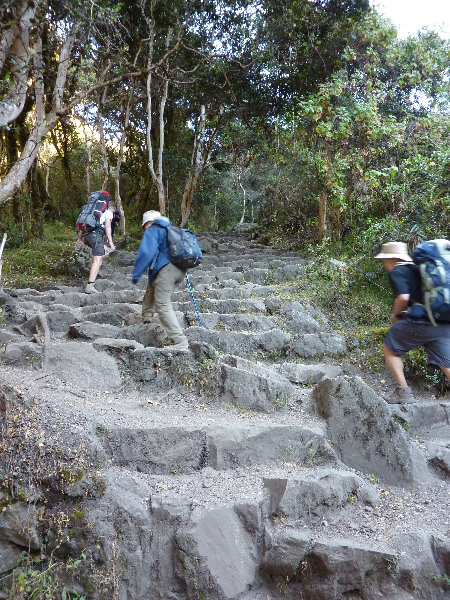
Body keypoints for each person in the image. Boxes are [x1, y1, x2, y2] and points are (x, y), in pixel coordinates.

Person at [375, 241, 450, 403]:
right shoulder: (420, 268)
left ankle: (404, 392)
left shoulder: (398, 271)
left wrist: (395, 315)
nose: (383, 264)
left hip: (422, 321)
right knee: (446, 363)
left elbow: (403, 297)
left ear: (392, 259)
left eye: (384, 260)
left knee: (390, 346)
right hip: (442, 321)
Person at [132, 210, 189, 350]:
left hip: (167, 270)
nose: (144, 228)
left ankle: (179, 340)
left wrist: (136, 273)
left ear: (149, 222)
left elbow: (146, 253)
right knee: (152, 285)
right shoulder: (172, 230)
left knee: (162, 304)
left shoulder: (154, 230)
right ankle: (147, 314)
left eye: (145, 225)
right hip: (179, 270)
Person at [75, 193, 116, 294]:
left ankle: (95, 271)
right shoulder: (108, 211)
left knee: (102, 253)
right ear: (111, 207)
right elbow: (107, 226)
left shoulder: (93, 211)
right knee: (97, 260)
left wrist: (79, 239)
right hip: (96, 236)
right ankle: (90, 285)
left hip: (88, 236)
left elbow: (85, 224)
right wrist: (111, 242)